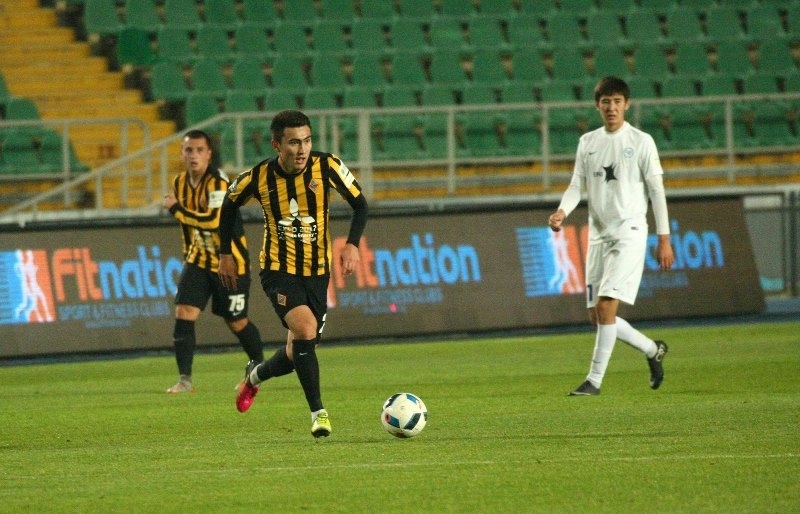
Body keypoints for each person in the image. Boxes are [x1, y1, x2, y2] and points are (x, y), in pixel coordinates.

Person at [218, 110, 368, 438]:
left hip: (318, 272)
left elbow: (360, 204)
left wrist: (352, 244)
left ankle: (253, 377)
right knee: (305, 328)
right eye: (294, 143)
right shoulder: (258, 177)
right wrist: (225, 252)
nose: (302, 150)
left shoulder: (327, 166)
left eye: (307, 141)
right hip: (278, 270)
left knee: (297, 351)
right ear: (277, 145)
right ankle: (319, 414)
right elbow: (228, 206)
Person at [547, 76, 675, 396]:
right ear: (597, 106)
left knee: (606, 307)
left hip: (630, 233)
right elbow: (576, 185)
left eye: (617, 101)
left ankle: (594, 381)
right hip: (598, 237)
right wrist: (562, 211)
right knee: (597, 316)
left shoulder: (641, 141)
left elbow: (657, 191)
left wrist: (664, 238)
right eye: (606, 102)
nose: (612, 107)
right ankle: (652, 349)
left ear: (627, 105)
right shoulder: (587, 142)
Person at [162, 129, 265, 394]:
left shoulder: (219, 182)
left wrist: (176, 210)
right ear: (182, 154)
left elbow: (213, 221)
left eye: (199, 150)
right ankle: (185, 380)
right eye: (188, 150)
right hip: (198, 260)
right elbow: (188, 227)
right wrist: (188, 254)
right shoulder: (179, 182)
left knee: (237, 321)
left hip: (230, 262)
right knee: (184, 312)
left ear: (208, 154)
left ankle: (258, 368)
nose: (193, 155)